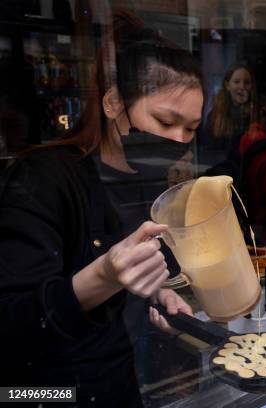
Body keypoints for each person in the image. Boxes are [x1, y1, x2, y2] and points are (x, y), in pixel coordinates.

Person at [0, 12, 202, 407]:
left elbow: (135, 278)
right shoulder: (44, 178)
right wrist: (104, 275)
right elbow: (12, 323)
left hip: (126, 382)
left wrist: (156, 293)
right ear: (113, 102)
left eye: (191, 129)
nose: (179, 140)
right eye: (166, 120)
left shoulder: (147, 180)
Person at [202, 63, 259, 183]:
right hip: (222, 178)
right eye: (237, 81)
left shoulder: (258, 114)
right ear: (228, 85)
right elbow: (209, 153)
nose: (242, 86)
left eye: (247, 82)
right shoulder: (216, 115)